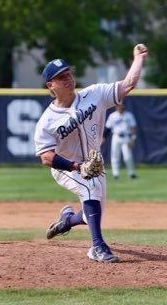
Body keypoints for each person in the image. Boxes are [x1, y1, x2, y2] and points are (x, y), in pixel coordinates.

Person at [34, 43, 148, 263]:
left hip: (94, 165)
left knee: (90, 214)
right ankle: (97, 247)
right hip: (66, 167)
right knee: (91, 188)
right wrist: (77, 168)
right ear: (51, 85)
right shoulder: (46, 121)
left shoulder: (94, 94)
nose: (68, 77)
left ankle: (67, 220)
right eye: (61, 76)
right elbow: (46, 157)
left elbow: (128, 84)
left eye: (68, 72)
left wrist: (139, 58)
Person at [104, 102, 138, 180]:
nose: (120, 107)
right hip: (116, 137)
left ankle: (131, 173)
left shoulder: (129, 115)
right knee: (115, 156)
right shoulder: (113, 116)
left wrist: (133, 138)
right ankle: (115, 174)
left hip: (126, 137)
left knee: (128, 156)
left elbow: (133, 127)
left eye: (122, 105)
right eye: (119, 105)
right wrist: (104, 137)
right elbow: (108, 128)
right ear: (116, 106)